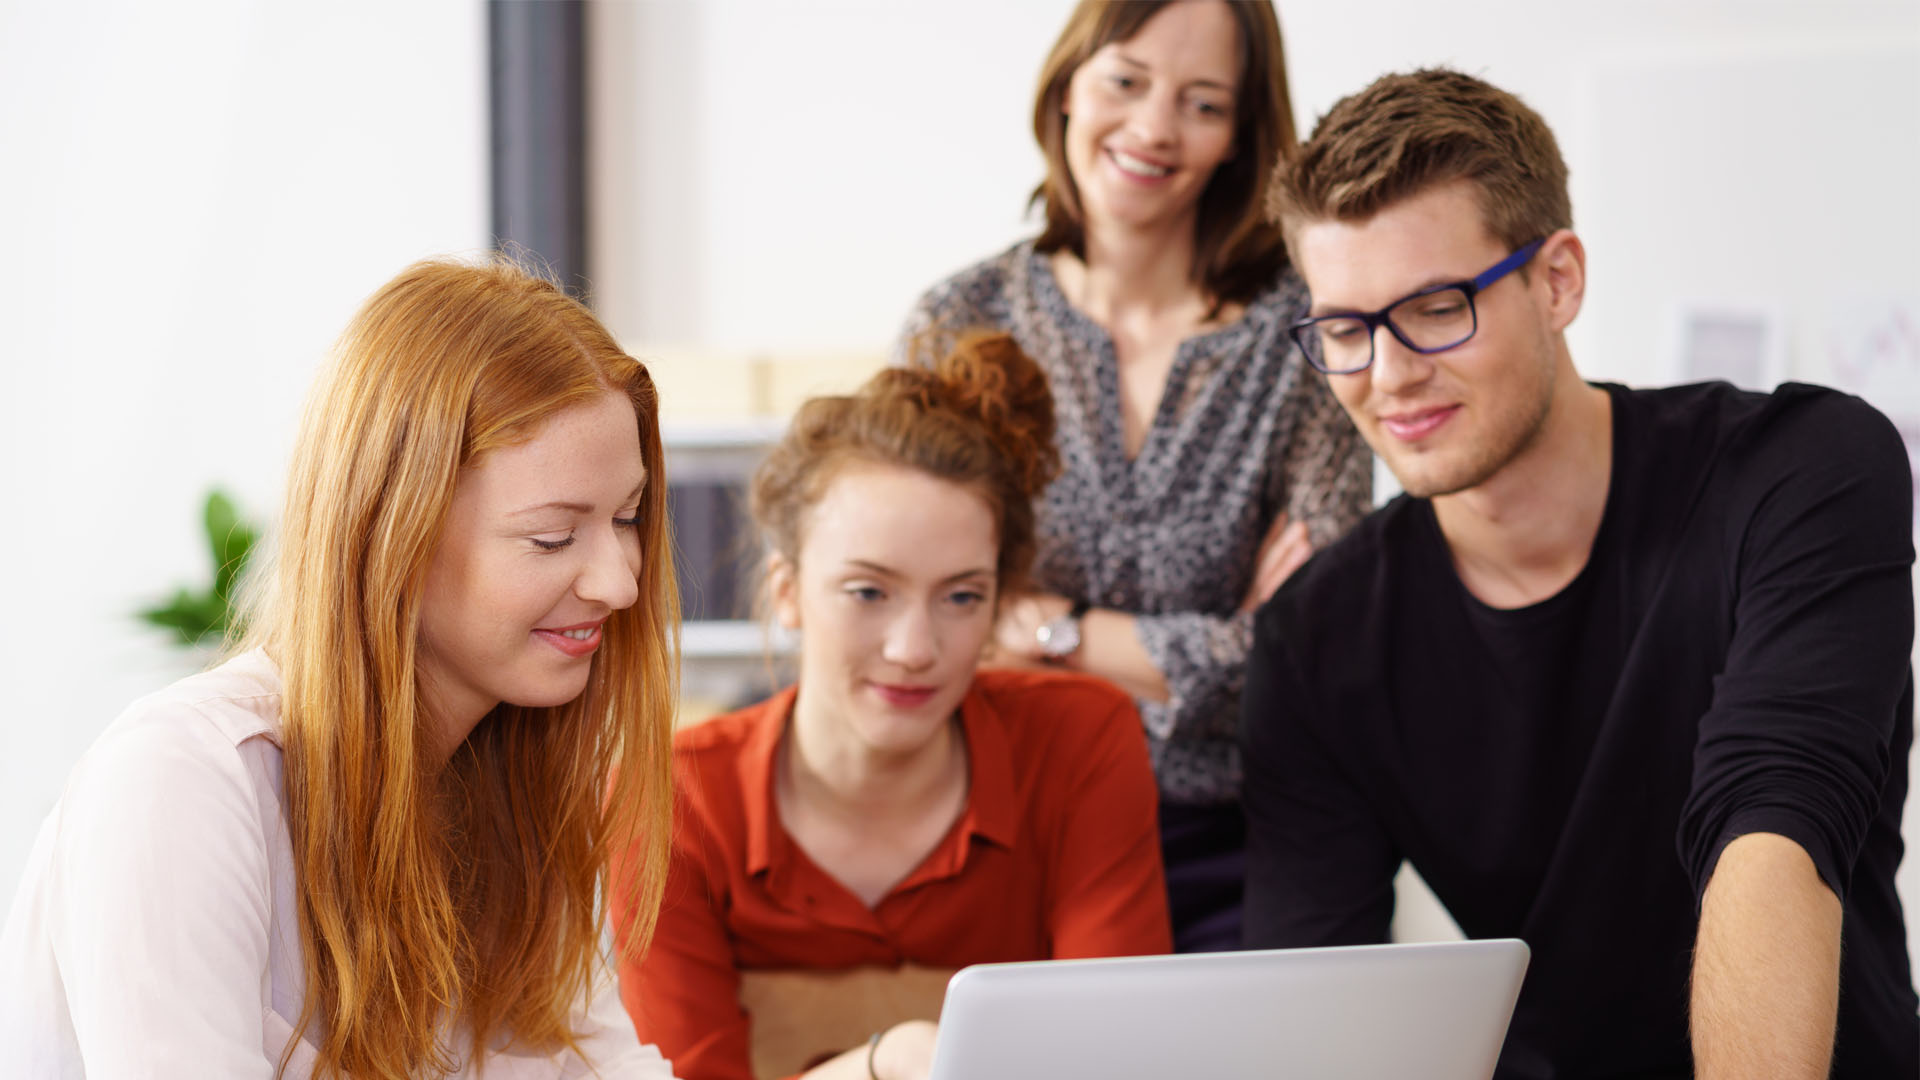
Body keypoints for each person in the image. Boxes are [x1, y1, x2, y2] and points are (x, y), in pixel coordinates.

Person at [1243, 68, 1915, 1078]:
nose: (1386, 377)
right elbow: (1319, 1005)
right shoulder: (1315, 637)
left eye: (1434, 308)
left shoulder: (1799, 469)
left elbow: (1771, 830)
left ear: (1556, 281)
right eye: (1344, 329)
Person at [0, 259, 683, 1079]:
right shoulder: (184, 781)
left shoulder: (520, 798)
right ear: (391, 531)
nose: (619, 582)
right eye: (550, 538)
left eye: (629, 517)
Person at [896, 0, 1371, 953]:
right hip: (1011, 822)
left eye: (1203, 103)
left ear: (1241, 135)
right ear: (1069, 87)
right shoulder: (962, 320)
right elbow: (926, 614)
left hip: (1245, 839)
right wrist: (1211, 644)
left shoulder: (1310, 333)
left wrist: (1047, 630)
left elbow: (1307, 652)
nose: (1154, 129)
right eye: (1126, 82)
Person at [614, 333, 1171, 1080]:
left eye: (962, 597)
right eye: (869, 591)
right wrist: (885, 1063)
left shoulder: (1080, 738)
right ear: (788, 590)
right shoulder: (669, 799)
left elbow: (1119, 1058)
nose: (915, 648)